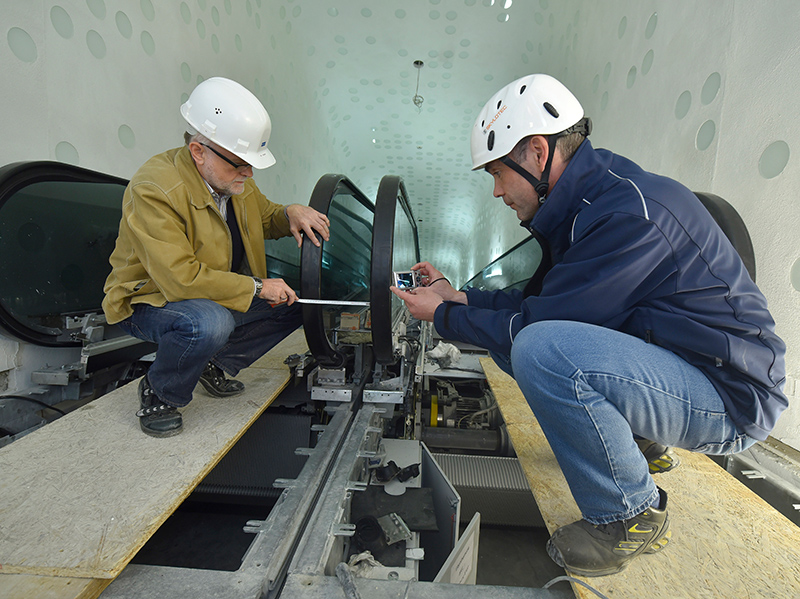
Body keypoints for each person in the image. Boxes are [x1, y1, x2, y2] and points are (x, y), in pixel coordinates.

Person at [391, 73, 787, 577]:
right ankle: (639, 441)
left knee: (537, 348)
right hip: (686, 371)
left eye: (496, 173)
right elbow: (539, 299)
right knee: (512, 338)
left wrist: (445, 317)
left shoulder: (628, 214)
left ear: (537, 152)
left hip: (731, 397)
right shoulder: (588, 206)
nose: (495, 192)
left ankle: (629, 514)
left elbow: (541, 324)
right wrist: (459, 296)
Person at [103, 77, 330, 438]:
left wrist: (290, 213)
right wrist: (256, 287)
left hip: (211, 292)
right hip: (149, 300)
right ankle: (160, 392)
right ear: (198, 151)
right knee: (208, 323)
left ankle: (213, 362)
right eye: (240, 165)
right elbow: (179, 279)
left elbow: (264, 216)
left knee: (298, 301)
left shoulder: (233, 178)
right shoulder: (154, 189)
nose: (249, 173)